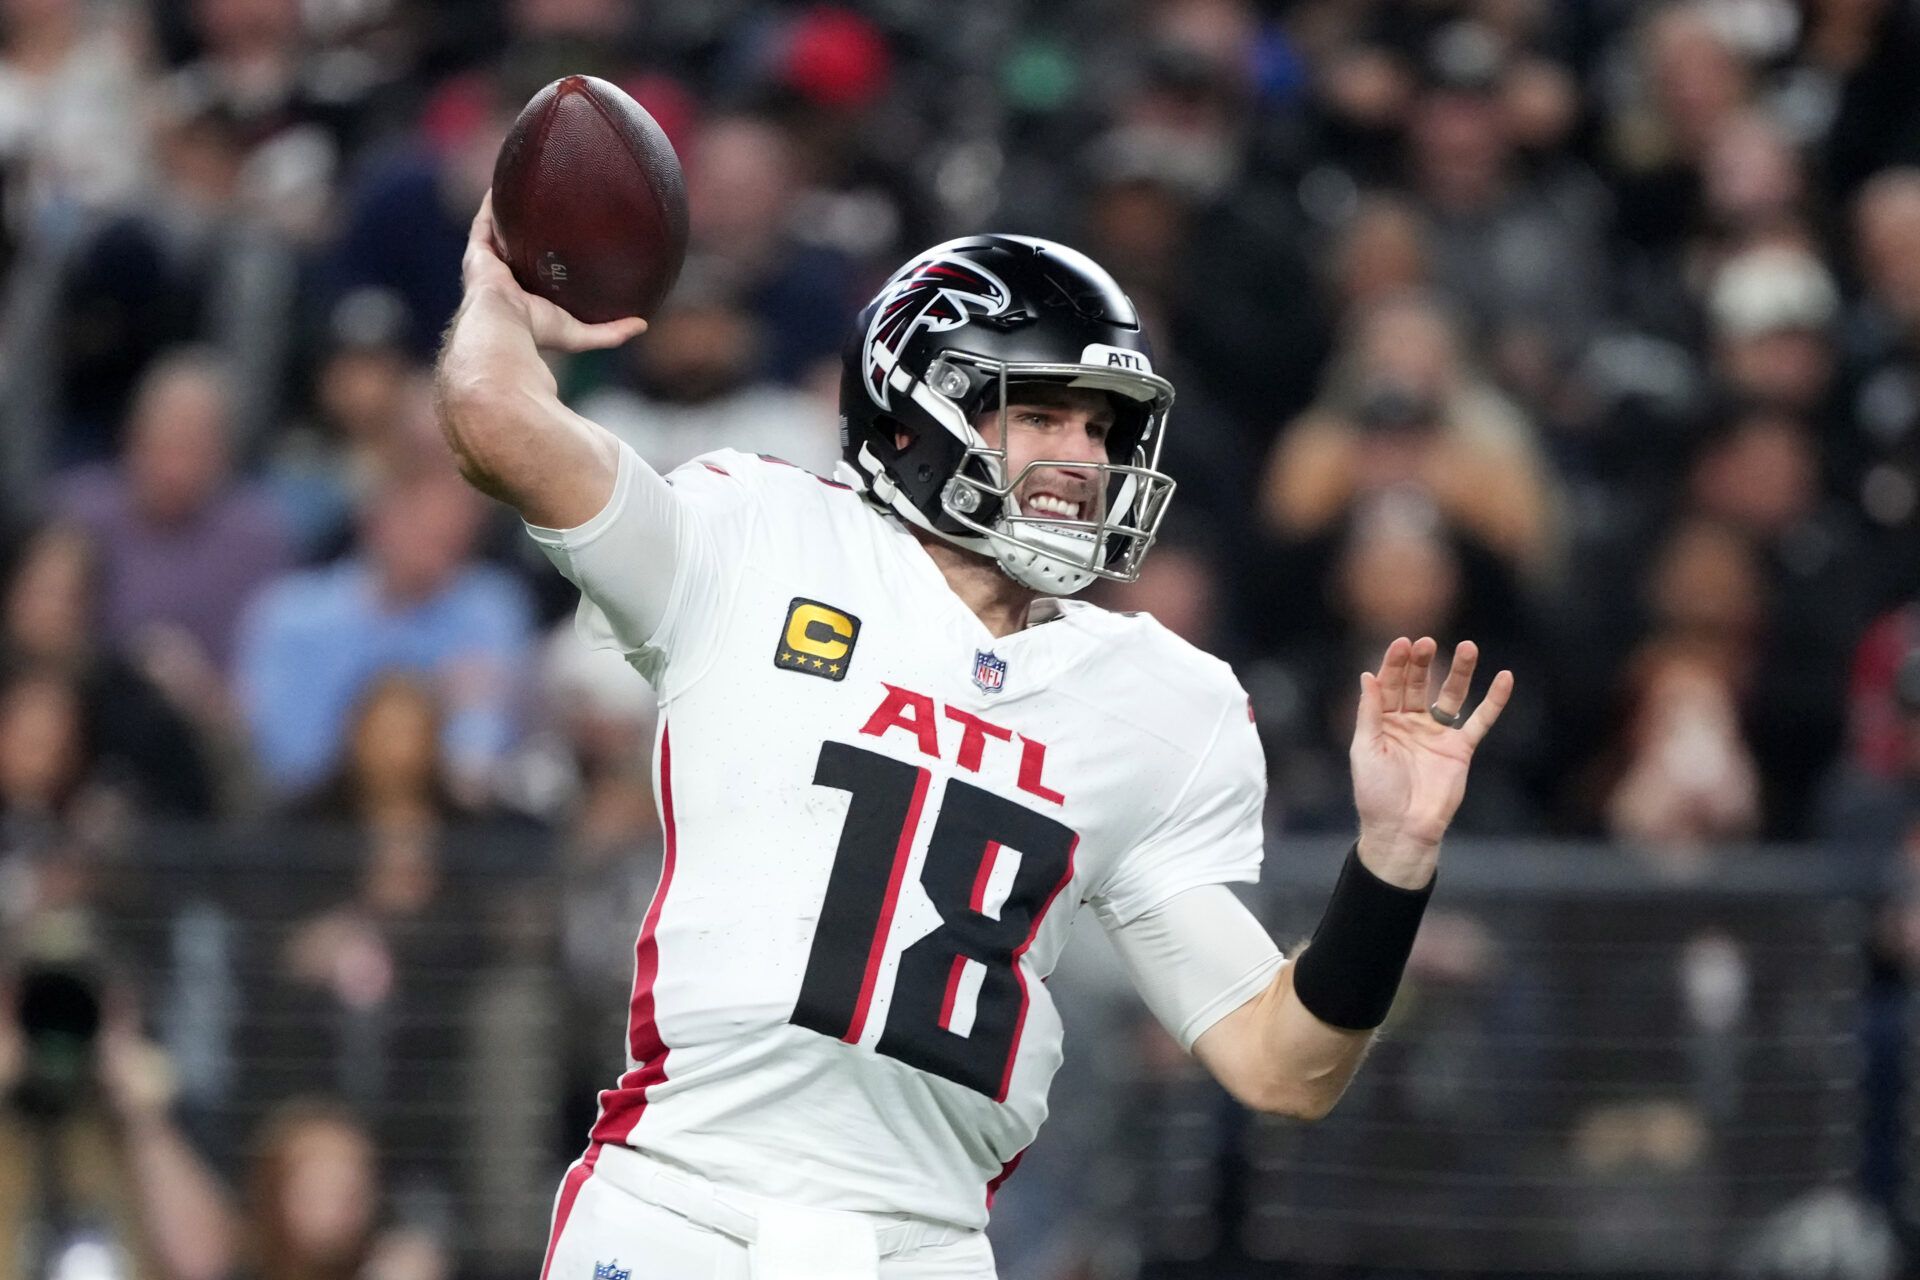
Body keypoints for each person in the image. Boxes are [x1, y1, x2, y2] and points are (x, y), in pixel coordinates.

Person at [436, 196, 1515, 1277]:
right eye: (1044, 415)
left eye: (1101, 427)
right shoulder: (759, 536)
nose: (1083, 457)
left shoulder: (1156, 703)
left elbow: (1289, 1064)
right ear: (918, 408)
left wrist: (1392, 859)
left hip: (928, 1244)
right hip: (683, 1206)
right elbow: (494, 413)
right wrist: (496, 297)